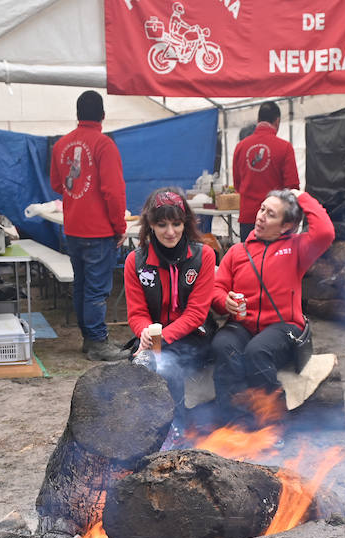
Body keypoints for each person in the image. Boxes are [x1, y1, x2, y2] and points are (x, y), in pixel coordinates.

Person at [210, 189, 332, 426]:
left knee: (258, 351)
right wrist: (225, 302)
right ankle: (235, 422)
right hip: (242, 325)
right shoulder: (237, 252)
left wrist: (302, 197)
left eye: (271, 214)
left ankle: (272, 423)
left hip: (284, 327)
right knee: (223, 345)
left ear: (286, 226)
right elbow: (217, 289)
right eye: (262, 209)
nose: (261, 216)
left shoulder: (298, 248)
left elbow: (326, 232)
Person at [123, 187, 217, 417]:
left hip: (195, 335)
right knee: (141, 365)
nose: (170, 232)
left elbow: (196, 313)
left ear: (185, 223)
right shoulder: (135, 261)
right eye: (162, 225)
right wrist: (144, 333)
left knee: (168, 364)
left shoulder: (203, 255)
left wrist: (160, 337)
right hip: (153, 336)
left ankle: (176, 428)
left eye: (176, 224)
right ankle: (148, 426)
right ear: (151, 225)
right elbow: (137, 313)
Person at [51, 90, 129, 361]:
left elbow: (56, 184)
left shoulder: (61, 145)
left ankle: (90, 337)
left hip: (73, 228)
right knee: (97, 289)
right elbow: (114, 191)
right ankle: (97, 342)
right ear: (103, 116)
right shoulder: (104, 145)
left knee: (82, 285)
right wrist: (120, 227)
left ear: (77, 114)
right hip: (99, 231)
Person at [231, 102, 299, 241]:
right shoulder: (284, 147)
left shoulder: (240, 147)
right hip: (275, 220)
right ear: (277, 121)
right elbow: (292, 188)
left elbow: (237, 185)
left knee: (250, 260)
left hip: (249, 217)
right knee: (275, 261)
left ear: (258, 121)